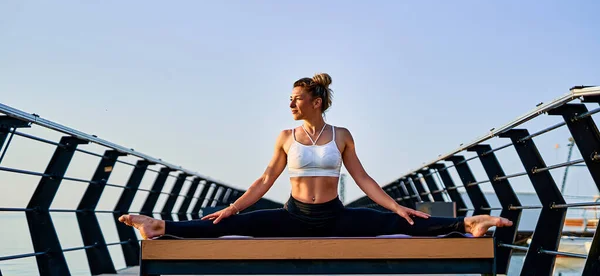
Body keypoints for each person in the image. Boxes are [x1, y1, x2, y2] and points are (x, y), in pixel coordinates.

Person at [119, 73, 512, 239]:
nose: (291, 102)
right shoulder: (285, 136)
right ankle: (159, 227)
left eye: (297, 98)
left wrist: (396, 206)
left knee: (407, 222)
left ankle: (469, 223)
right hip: (293, 215)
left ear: (317, 101)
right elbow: (265, 180)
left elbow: (363, 179)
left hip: (336, 215)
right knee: (221, 224)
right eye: (290, 98)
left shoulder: (341, 135)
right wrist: (235, 208)